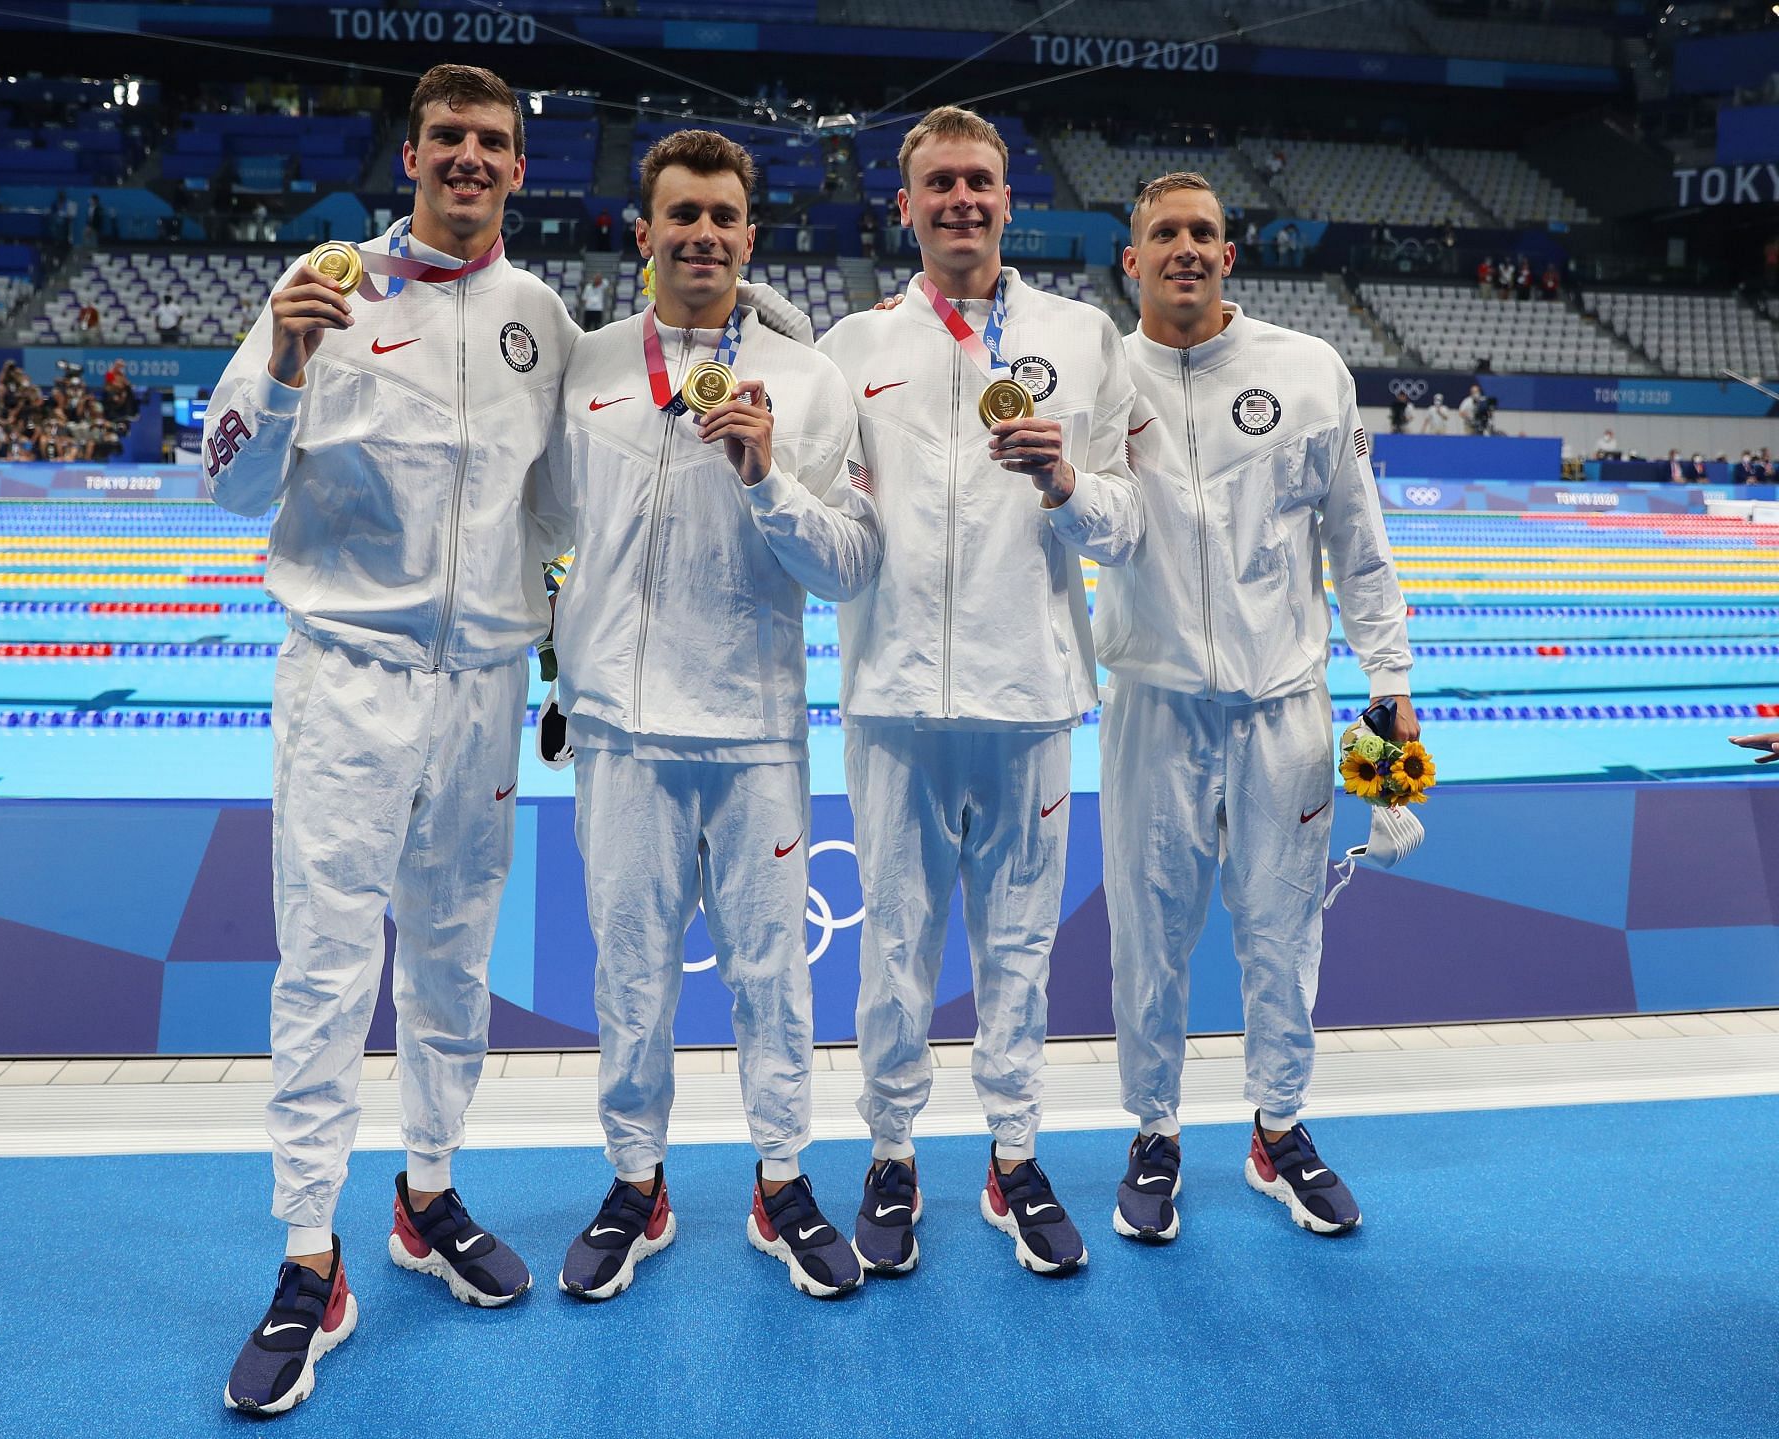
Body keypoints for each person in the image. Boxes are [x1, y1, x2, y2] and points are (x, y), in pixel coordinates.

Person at [203, 64, 580, 1417]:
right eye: (449, 139)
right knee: (324, 963)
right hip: (350, 679)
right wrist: (289, 361)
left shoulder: (541, 317)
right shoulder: (322, 289)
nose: (470, 159)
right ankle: (311, 1254)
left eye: (494, 141)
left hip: (480, 690)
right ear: (411, 153)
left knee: (455, 957)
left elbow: (572, 506)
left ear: (519, 168)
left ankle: (427, 1194)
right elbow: (227, 482)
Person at [541, 128, 881, 1304]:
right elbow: (537, 531)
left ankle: (781, 1181)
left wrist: (768, 478)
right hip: (622, 738)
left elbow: (851, 562)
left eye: (723, 217)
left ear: (750, 234)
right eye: (679, 216)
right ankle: (636, 1181)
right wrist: (555, 656)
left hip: (753, 737)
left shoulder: (814, 380)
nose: (702, 235)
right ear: (643, 234)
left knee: (773, 976)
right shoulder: (582, 366)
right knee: (628, 976)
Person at [817, 106, 1142, 1279]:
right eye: (938, 183)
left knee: (1018, 949)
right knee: (893, 948)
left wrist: (1065, 483)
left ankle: (1013, 1156)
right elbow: (832, 521)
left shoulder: (1085, 336)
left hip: (1028, 692)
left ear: (1010, 201)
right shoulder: (850, 345)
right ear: (903, 207)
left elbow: (1130, 514)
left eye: (980, 183)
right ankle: (893, 1156)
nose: (961, 200)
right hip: (894, 697)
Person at [1102, 172, 1416, 1245]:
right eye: (1164, 233)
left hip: (1283, 709)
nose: (1185, 248)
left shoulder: (1308, 371)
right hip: (1150, 704)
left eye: (1204, 233)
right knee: (1149, 939)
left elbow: (1359, 546)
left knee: (1282, 936)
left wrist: (1391, 681)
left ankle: (1279, 1126)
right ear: (1130, 257)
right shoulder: (1100, 377)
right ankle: (1154, 1131)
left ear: (1229, 255)